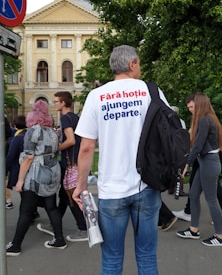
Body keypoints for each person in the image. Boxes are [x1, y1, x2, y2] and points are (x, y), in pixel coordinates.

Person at [73, 45, 164, 274]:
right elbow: (168, 134)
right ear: (132, 64)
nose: (140, 68)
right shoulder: (151, 91)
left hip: (111, 191)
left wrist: (81, 186)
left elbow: (86, 148)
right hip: (147, 185)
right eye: (139, 63)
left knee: (112, 259)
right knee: (147, 256)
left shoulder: (96, 96)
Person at [6, 100, 66, 256]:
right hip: (52, 172)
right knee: (51, 207)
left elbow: (28, 158)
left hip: (36, 175)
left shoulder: (33, 131)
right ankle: (59, 239)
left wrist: (20, 181)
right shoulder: (52, 131)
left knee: (25, 211)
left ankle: (15, 245)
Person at [173, 94, 222, 226]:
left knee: (211, 196)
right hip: (204, 158)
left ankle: (221, 231)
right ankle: (192, 223)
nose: (190, 110)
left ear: (199, 104)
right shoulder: (206, 119)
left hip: (208, 159)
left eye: (191, 107)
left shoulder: (204, 120)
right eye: (188, 107)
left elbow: (198, 144)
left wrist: (187, 164)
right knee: (195, 193)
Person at [37, 91, 87, 242]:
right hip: (77, 161)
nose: (55, 104)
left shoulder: (65, 118)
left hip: (69, 163)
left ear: (63, 103)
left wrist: (55, 148)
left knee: (71, 196)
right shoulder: (75, 117)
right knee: (65, 197)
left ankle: (83, 228)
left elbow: (71, 140)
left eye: (56, 102)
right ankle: (55, 224)